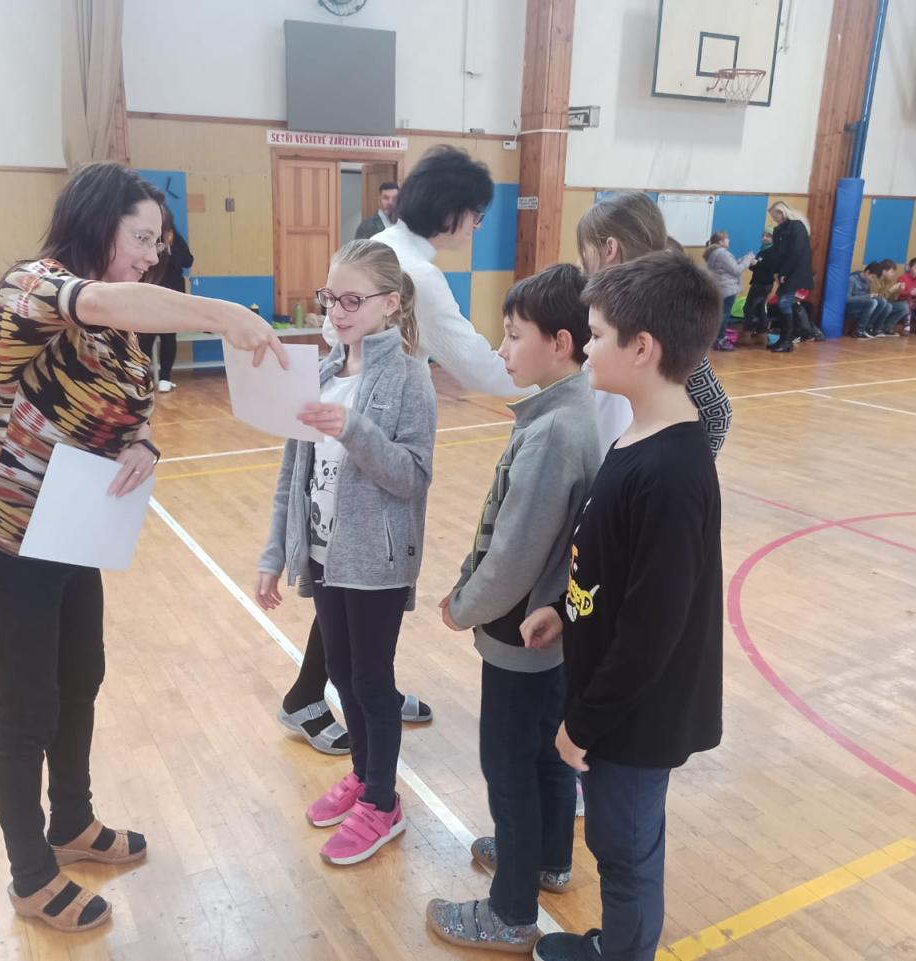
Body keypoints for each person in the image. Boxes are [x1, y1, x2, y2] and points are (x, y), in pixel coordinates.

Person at [0, 162, 286, 932]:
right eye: (142, 238)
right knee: (25, 706)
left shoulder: (123, 323)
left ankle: (71, 822)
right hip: (4, 535)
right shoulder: (33, 287)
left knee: (81, 677)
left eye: (159, 243)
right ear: (97, 224)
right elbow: (94, 300)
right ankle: (31, 874)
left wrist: (144, 442)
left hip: (70, 529)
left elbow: (133, 405)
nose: (152, 255)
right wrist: (220, 312)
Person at [522, 251, 724, 961]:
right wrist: (565, 608)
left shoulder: (673, 471)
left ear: (642, 348)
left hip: (636, 713)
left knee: (624, 845)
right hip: (616, 699)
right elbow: (612, 566)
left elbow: (652, 626)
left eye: (599, 334)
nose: (587, 346)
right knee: (619, 836)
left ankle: (625, 951)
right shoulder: (637, 437)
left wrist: (583, 723)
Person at [277, 146, 506, 756]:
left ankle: (366, 687)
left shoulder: (376, 248)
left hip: (358, 432)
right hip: (365, 439)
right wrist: (549, 384)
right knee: (353, 581)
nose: (475, 228)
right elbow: (474, 363)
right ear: (453, 212)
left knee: (351, 586)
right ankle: (315, 696)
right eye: (476, 215)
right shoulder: (414, 275)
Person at [425, 264, 602, 954]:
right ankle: (548, 857)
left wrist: (463, 606)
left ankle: (511, 910)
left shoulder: (554, 430)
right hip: (547, 636)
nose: (501, 350)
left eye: (513, 335)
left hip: (519, 634)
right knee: (544, 755)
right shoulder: (566, 412)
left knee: (510, 769)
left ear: (560, 343)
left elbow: (515, 553)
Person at [255, 239, 436, 866]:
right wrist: (275, 553)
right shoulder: (322, 375)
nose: (336, 311)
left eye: (352, 300)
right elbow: (292, 474)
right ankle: (363, 775)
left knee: (371, 682)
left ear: (390, 303)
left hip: (377, 562)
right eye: (330, 297)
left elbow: (412, 476)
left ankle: (383, 803)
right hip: (324, 553)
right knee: (339, 673)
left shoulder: (411, 378)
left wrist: (353, 430)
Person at [576, 191, 732, 456]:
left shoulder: (665, 314)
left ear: (609, 249)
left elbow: (716, 410)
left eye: (584, 250)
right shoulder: (593, 305)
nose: (580, 262)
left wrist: (686, 469)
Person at [138, 206, 194, 392]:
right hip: (150, 293)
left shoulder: (174, 237)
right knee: (145, 338)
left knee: (169, 337)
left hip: (172, 293)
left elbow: (188, 260)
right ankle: (142, 378)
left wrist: (169, 248)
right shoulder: (145, 236)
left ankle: (165, 378)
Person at [766, 201, 813, 353]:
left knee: (784, 303)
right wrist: (777, 271)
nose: (774, 220)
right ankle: (784, 339)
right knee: (783, 303)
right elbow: (778, 253)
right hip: (785, 272)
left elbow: (796, 252)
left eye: (775, 216)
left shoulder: (797, 226)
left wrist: (785, 272)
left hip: (796, 272)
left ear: (782, 212)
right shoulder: (779, 229)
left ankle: (787, 339)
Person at [702, 231, 754, 351]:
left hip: (719, 287)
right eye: (727, 239)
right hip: (727, 288)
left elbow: (729, 267)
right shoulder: (722, 253)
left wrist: (741, 260)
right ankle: (720, 340)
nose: (729, 240)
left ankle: (716, 339)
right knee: (724, 315)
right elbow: (736, 270)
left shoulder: (713, 253)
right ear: (721, 242)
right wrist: (748, 259)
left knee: (720, 314)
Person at [742, 231, 776, 341]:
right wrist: (751, 264)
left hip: (763, 284)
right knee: (759, 308)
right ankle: (762, 333)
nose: (764, 238)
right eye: (763, 236)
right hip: (758, 282)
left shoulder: (773, 251)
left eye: (768, 236)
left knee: (748, 308)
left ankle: (747, 333)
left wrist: (757, 263)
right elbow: (756, 268)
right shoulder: (762, 251)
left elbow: (770, 269)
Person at [849, 262, 890, 339]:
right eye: (872, 277)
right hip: (851, 306)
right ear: (867, 272)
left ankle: (867, 328)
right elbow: (847, 299)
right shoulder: (852, 279)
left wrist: (873, 296)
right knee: (872, 302)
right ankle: (859, 330)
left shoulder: (867, 281)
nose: (872, 280)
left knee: (882, 301)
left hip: (862, 305)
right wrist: (868, 296)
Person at [871, 260, 909, 336]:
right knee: (887, 305)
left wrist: (898, 291)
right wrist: (890, 290)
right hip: (877, 305)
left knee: (904, 306)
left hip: (887, 303)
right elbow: (876, 298)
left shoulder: (888, 281)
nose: (893, 274)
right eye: (891, 272)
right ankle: (876, 328)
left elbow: (892, 299)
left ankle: (887, 328)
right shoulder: (874, 279)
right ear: (884, 271)